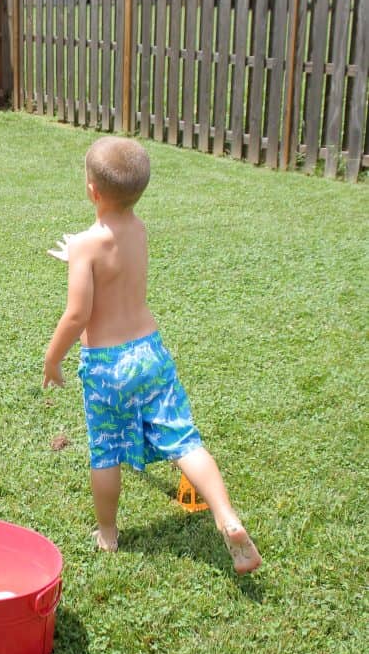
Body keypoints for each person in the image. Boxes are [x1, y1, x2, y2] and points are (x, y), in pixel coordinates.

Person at [42, 136, 261, 574]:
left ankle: (107, 532)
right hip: (150, 352)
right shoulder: (139, 228)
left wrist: (53, 358)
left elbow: (77, 313)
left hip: (107, 367)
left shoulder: (87, 246)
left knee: (106, 451)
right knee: (184, 440)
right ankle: (226, 516)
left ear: (91, 189)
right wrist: (79, 254)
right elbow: (116, 259)